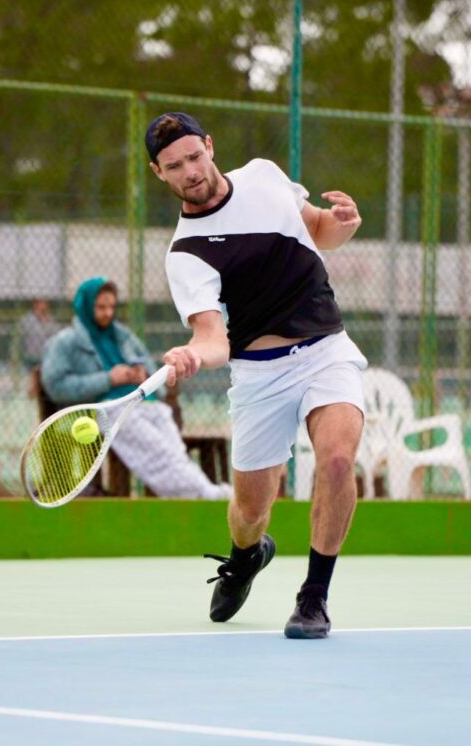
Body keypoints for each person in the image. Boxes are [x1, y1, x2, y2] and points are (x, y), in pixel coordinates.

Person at [148, 112, 366, 640]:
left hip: (325, 350)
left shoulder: (265, 176)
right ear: (160, 173)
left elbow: (317, 230)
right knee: (250, 511)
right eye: (175, 166)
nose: (190, 172)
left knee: (337, 460)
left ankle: (314, 597)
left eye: (194, 157)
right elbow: (212, 337)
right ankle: (247, 556)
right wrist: (192, 356)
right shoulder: (186, 253)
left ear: (210, 145)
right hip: (258, 375)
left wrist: (343, 223)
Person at [40, 276, 232, 501]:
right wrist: (109, 379)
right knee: (159, 456)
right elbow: (55, 386)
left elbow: (151, 372)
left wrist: (141, 375)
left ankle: (204, 492)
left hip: (147, 405)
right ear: (85, 305)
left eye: (111, 306)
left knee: (174, 455)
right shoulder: (65, 342)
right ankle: (207, 496)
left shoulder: (122, 336)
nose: (107, 313)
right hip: (109, 411)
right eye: (101, 307)